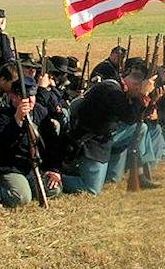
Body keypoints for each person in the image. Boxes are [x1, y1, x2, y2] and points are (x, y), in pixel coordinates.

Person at [65, 64, 154, 195]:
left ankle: (139, 173)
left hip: (105, 138)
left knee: (140, 129)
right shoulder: (111, 90)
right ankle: (54, 178)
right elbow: (128, 117)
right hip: (91, 142)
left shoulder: (116, 88)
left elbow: (134, 120)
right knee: (91, 190)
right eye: (137, 92)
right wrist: (141, 96)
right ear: (135, 86)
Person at [0, 76, 63, 207]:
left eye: (32, 96)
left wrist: (54, 169)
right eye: (24, 97)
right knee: (21, 198)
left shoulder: (40, 111)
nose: (30, 100)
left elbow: (52, 142)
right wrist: (17, 121)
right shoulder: (2, 115)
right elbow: (2, 146)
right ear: (12, 96)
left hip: (33, 166)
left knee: (54, 189)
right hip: (12, 167)